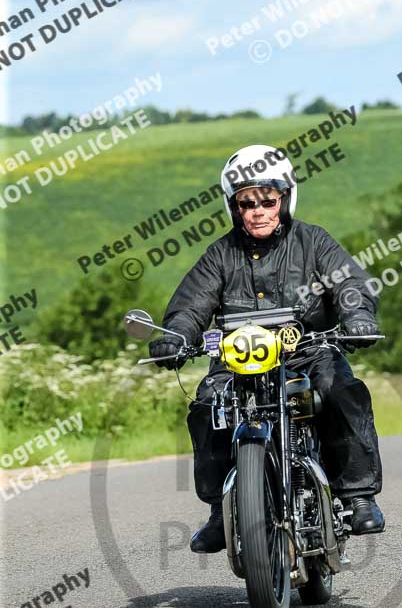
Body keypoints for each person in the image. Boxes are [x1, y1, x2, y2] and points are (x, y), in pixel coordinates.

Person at [149, 144, 385, 552]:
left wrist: (357, 314)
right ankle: (221, 511)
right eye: (247, 203)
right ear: (234, 207)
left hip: (308, 351)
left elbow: (350, 284)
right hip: (237, 361)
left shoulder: (313, 241)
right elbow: (191, 306)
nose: (257, 211)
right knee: (208, 404)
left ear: (285, 199)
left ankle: (358, 495)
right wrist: (176, 335)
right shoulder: (220, 255)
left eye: (267, 201)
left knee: (339, 390)